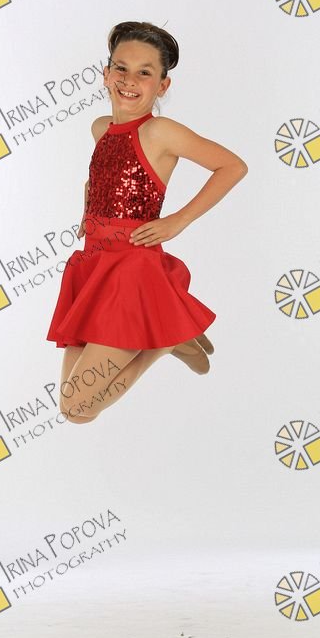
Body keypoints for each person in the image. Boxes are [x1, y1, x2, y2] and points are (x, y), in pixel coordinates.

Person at [45, 21, 248, 424]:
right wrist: (88, 205)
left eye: (144, 72)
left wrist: (177, 221)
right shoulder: (101, 129)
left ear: (162, 86)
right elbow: (108, 176)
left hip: (132, 273)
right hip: (94, 266)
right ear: (106, 74)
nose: (129, 80)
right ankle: (172, 332)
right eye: (121, 68)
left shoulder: (160, 131)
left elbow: (232, 166)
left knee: (76, 405)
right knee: (77, 414)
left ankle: (164, 340)